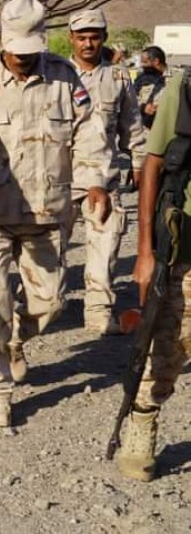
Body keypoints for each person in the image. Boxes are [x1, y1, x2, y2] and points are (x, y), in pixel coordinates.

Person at [0, 0, 112, 426]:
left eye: (31, 49)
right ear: (2, 44)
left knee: (50, 303)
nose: (23, 58)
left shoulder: (64, 77)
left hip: (49, 209)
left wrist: (94, 181)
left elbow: (89, 134)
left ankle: (15, 339)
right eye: (15, 50)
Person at [125, 67, 191, 481]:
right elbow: (152, 164)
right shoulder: (185, 89)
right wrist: (145, 247)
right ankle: (144, 419)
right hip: (187, 241)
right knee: (172, 342)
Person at [66, 9, 146, 336]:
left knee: (107, 243)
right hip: (62, 179)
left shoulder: (118, 78)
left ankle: (98, 311)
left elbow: (133, 125)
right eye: (82, 37)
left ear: (104, 37)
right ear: (71, 39)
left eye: (94, 37)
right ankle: (37, 301)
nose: (88, 43)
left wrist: (139, 161)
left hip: (104, 176)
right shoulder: (57, 76)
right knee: (48, 251)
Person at [135, 46, 170, 129]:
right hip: (145, 127)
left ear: (156, 61)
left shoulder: (177, 77)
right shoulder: (141, 78)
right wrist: (143, 107)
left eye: (144, 62)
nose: (141, 65)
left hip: (167, 126)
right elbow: (130, 99)